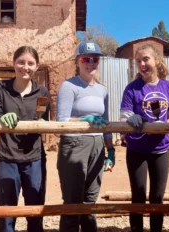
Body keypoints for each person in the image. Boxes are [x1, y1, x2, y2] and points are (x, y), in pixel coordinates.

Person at [56, 40, 115, 232]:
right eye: (86, 59)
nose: (91, 63)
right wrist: (84, 120)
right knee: (73, 200)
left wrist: (111, 150)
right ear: (78, 61)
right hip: (74, 144)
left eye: (95, 59)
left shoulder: (103, 90)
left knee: (90, 200)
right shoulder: (69, 86)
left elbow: (105, 122)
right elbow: (61, 121)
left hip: (97, 144)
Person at [0, 46, 50, 232]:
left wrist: (39, 123)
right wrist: (1, 119)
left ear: (37, 66)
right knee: (7, 214)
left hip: (34, 159)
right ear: (13, 64)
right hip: (7, 158)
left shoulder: (42, 92)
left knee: (34, 212)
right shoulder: (0, 88)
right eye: (21, 62)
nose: (26, 67)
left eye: (30, 63)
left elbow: (44, 119)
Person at [120, 44, 169, 232]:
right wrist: (130, 119)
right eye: (138, 61)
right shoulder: (132, 89)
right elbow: (124, 115)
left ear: (157, 60)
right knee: (137, 195)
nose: (142, 64)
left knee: (157, 196)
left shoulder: (168, 87)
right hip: (136, 149)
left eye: (146, 59)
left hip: (161, 149)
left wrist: (167, 125)